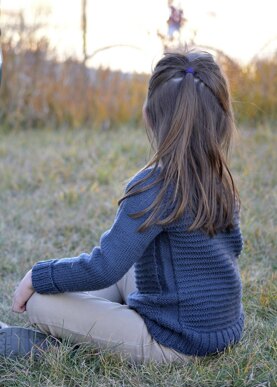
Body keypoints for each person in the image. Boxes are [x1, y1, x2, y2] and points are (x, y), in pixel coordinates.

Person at [0, 50, 244, 363]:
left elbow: (104, 267)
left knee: (39, 303)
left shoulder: (152, 186)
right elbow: (231, 250)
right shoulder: (221, 181)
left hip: (172, 343)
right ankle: (94, 322)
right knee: (128, 265)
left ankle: (49, 345)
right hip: (221, 328)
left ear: (150, 115)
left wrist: (38, 275)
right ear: (222, 119)